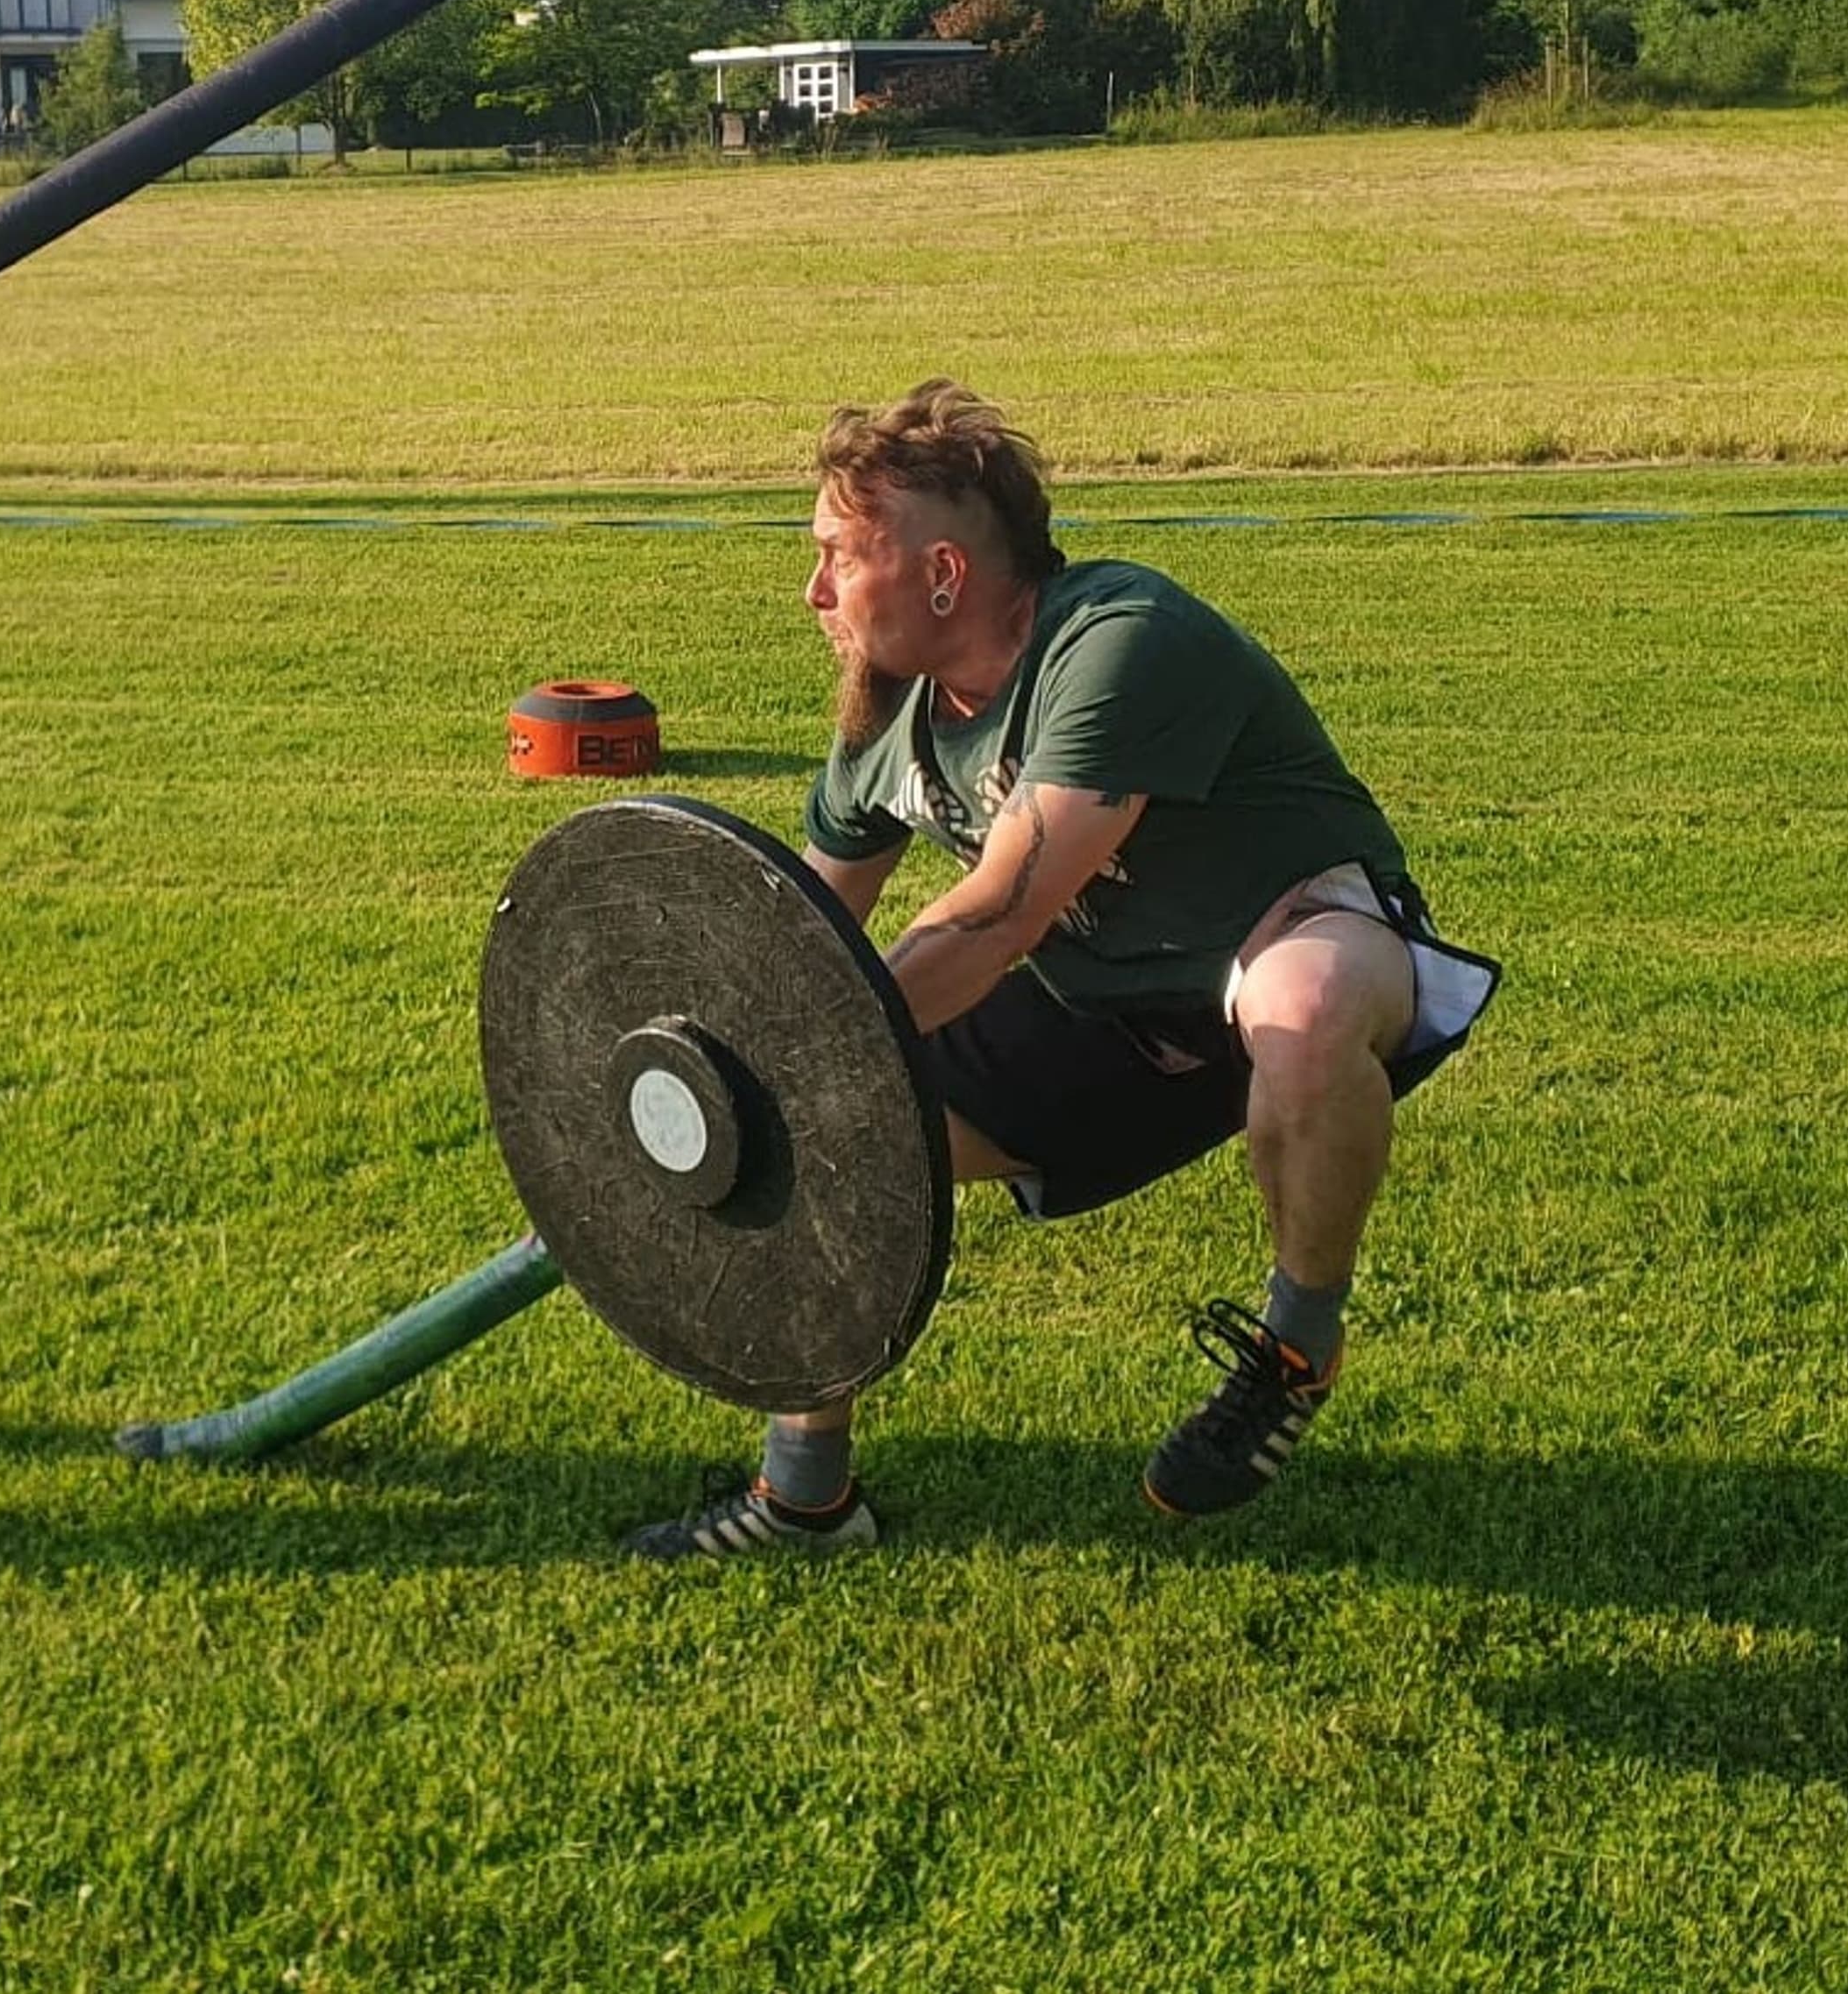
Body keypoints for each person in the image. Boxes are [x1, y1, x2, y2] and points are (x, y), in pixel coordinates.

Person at [629, 378, 1495, 1558]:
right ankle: (807, 1499)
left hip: (1276, 941)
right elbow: (797, 952)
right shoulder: (885, 728)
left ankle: (1296, 1346)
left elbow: (1000, 917)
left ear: (943, 574)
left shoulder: (1118, 639)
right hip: (1095, 1017)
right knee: (816, 1131)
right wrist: (702, 1095)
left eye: (839, 554)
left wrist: (796, 1050)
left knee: (1307, 1000)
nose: (814, 589)